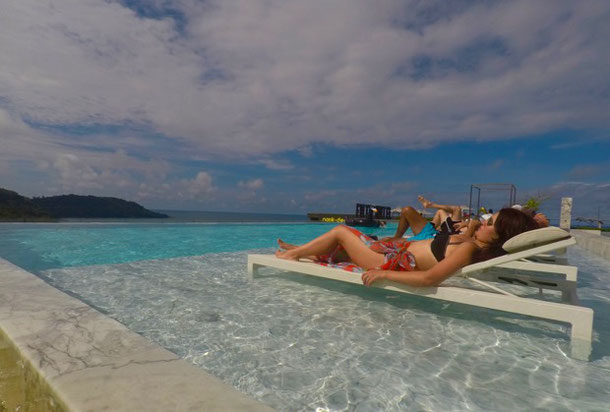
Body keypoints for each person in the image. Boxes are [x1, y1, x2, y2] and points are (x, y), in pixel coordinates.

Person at [276, 208, 539, 287]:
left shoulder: (469, 250)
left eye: (489, 223)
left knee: (341, 231)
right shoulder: (472, 242)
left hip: (390, 264)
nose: (482, 223)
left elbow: (429, 278)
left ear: (500, 234)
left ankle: (292, 255)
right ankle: (302, 249)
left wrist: (384, 274)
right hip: (393, 253)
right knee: (349, 242)